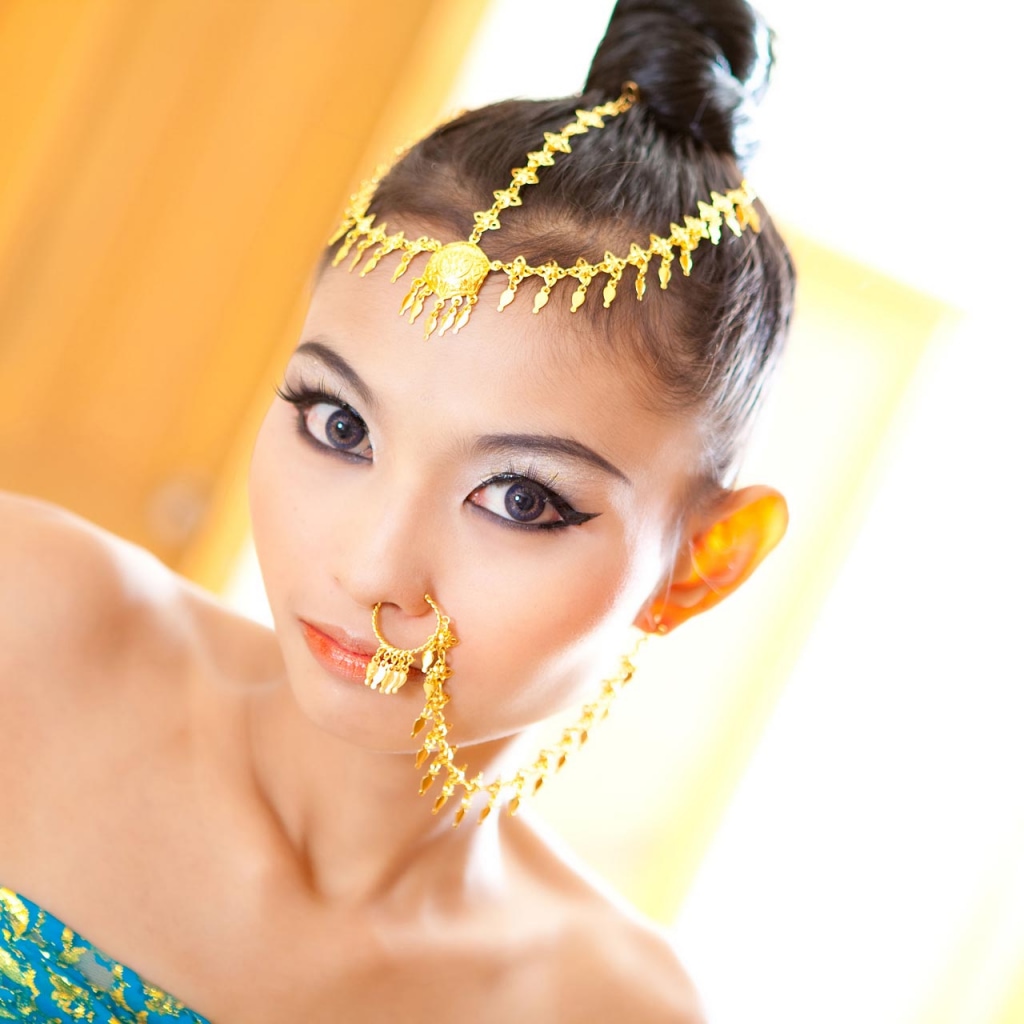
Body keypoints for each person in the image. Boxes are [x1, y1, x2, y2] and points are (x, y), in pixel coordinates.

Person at [0, 0, 794, 1020]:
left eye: (518, 498)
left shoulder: (603, 1007)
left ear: (702, 561)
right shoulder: (28, 626)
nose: (371, 569)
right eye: (339, 425)